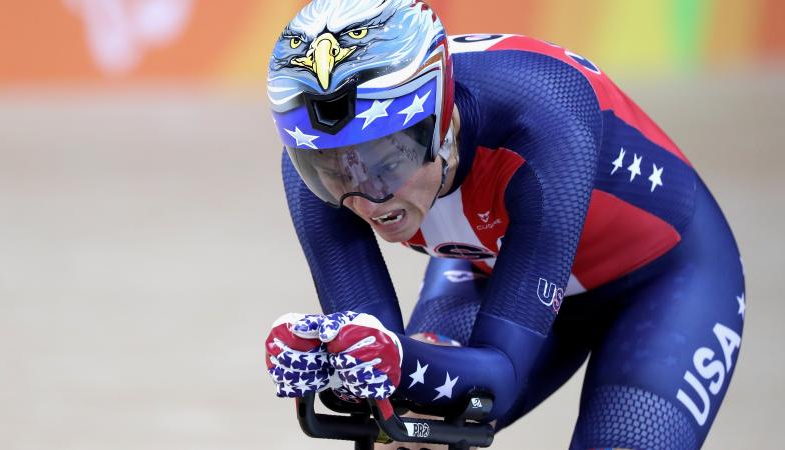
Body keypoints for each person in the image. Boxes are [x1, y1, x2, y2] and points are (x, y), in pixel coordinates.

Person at [263, 1, 746, 448]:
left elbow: (503, 373)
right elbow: (382, 389)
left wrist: (394, 360)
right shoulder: (314, 163)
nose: (366, 196)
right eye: (332, 169)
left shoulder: (544, 111)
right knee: (407, 435)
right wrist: (331, 361)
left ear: (438, 123)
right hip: (497, 266)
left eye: (386, 162)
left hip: (664, 282)